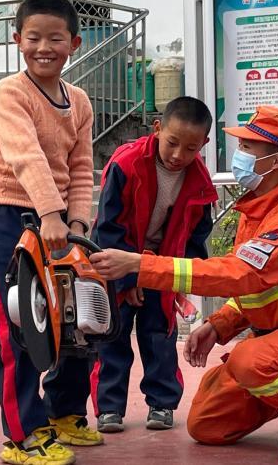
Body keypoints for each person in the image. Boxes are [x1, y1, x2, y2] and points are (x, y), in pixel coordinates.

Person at [89, 105, 278, 461]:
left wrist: (142, 266)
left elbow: (238, 274)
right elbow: (261, 289)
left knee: (250, 361)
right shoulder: (260, 208)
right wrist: (218, 326)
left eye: (248, 148)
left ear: (276, 161)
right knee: (207, 425)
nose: (240, 155)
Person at [0, 0, 102, 463]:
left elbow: (83, 168)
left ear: (74, 44)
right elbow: (24, 154)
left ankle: (64, 413)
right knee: (19, 329)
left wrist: (77, 223)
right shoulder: (10, 93)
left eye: (54, 38)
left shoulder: (80, 101)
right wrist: (50, 214)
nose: (43, 48)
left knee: (76, 321)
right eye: (33, 38)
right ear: (17, 41)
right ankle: (23, 435)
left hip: (61, 224)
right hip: (8, 214)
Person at [90, 96, 217, 433]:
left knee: (159, 335)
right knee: (110, 335)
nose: (178, 155)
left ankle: (162, 404)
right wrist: (127, 280)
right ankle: (109, 408)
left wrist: (181, 278)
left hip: (162, 267)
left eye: (190, 148)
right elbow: (108, 227)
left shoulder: (200, 180)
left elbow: (197, 235)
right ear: (158, 129)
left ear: (203, 145)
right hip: (115, 263)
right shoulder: (126, 163)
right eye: (172, 143)